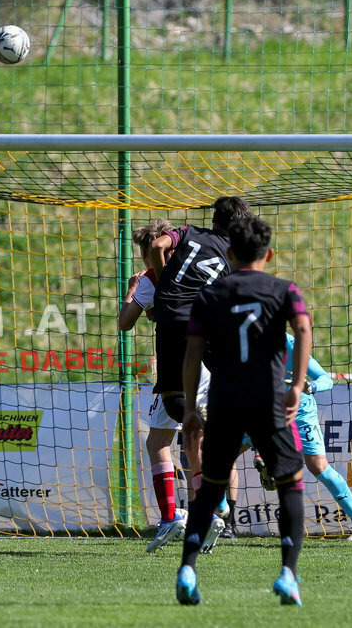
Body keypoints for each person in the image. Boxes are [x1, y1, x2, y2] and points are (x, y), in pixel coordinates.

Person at [175, 216, 311, 606]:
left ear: (230, 254)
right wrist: (297, 386)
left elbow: (192, 354)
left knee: (210, 486)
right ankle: (287, 574)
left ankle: (188, 566)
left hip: (224, 403)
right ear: (269, 254)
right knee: (291, 482)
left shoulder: (208, 295)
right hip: (268, 401)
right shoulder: (285, 290)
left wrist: (188, 408)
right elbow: (303, 329)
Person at [148, 198, 252, 549]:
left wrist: (164, 284)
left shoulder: (188, 232)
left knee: (179, 410)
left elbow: (157, 244)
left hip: (173, 320)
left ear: (213, 219)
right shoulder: (235, 257)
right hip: (204, 324)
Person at [119, 220, 224, 553]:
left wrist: (132, 291)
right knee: (196, 439)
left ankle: (170, 517)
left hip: (175, 368)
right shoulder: (197, 275)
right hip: (207, 363)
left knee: (158, 441)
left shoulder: (151, 280)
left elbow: (125, 323)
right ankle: (208, 510)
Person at [232, 333, 352, 542]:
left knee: (318, 466)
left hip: (300, 410)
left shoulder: (291, 346)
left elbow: (326, 379)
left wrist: (310, 386)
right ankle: (220, 515)